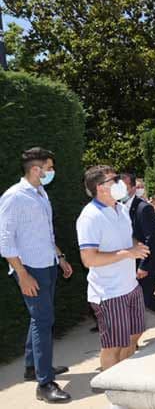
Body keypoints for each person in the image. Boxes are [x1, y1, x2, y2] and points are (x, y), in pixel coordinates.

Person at [0, 148, 72, 403]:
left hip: (48, 264)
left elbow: (45, 233)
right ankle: (44, 384)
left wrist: (60, 257)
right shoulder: (14, 197)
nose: (52, 172)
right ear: (35, 169)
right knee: (43, 321)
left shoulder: (40, 193)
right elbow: (5, 241)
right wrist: (22, 274)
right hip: (30, 269)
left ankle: (33, 367)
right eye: (49, 167)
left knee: (39, 319)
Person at [76, 165, 149, 373]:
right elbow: (88, 259)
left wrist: (136, 247)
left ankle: (124, 381)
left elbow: (126, 240)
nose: (120, 183)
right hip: (109, 293)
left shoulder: (121, 208)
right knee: (113, 346)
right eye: (114, 180)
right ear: (100, 187)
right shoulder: (90, 217)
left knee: (133, 337)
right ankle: (112, 393)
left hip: (130, 286)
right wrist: (128, 252)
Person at [121, 173, 155, 333]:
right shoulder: (116, 207)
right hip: (128, 260)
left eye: (124, 186)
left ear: (133, 187)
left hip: (146, 261)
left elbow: (151, 238)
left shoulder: (144, 208)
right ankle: (131, 338)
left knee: (145, 297)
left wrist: (143, 265)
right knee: (129, 298)